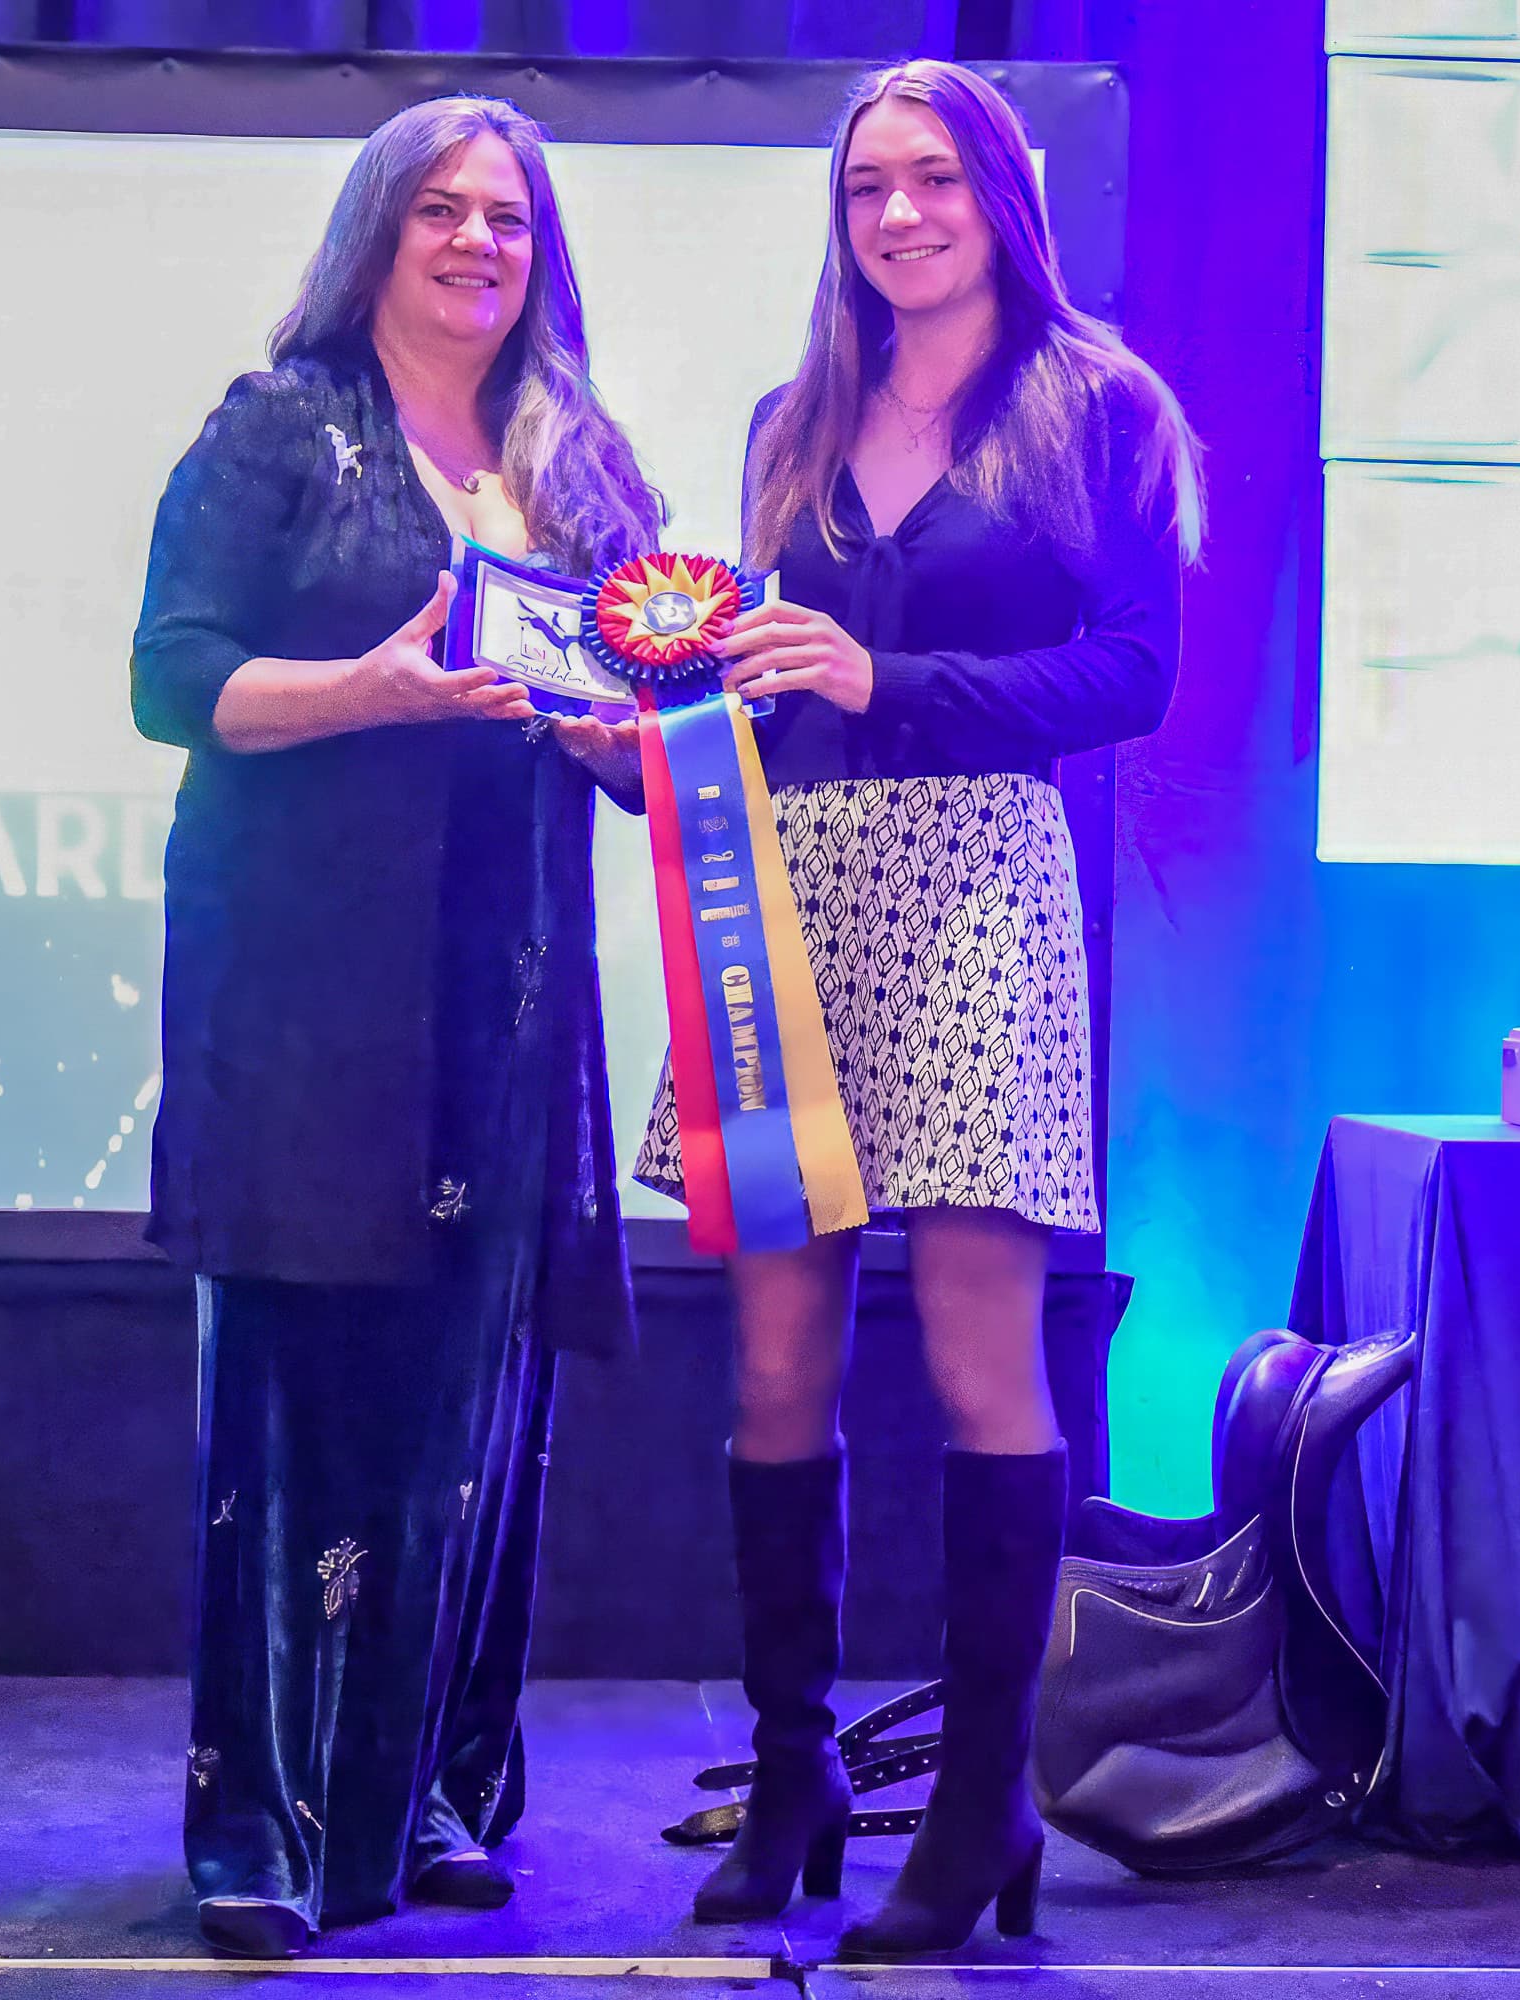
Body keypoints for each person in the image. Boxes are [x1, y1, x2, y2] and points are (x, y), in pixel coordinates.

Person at [638, 57, 1201, 1958]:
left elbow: (1132, 676)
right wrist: (646, 731)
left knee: (979, 1360)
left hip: (976, 891)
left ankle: (981, 1806)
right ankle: (794, 1772)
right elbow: (746, 672)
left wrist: (892, 683)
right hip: (783, 894)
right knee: (773, 1367)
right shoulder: (789, 419)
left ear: (1001, 197)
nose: (899, 213)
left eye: (935, 179)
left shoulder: (1100, 406)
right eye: (869, 183)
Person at [130, 94, 661, 1960]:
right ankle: (262, 1826)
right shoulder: (279, 426)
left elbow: (637, 718)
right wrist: (366, 690)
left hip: (501, 993)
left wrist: (637, 744)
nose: (475, 243)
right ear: (376, 233)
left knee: (469, 1406)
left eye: (506, 217)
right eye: (439, 210)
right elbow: (171, 682)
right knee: (298, 1406)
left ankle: (428, 1785)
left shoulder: (584, 464)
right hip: (308, 987)